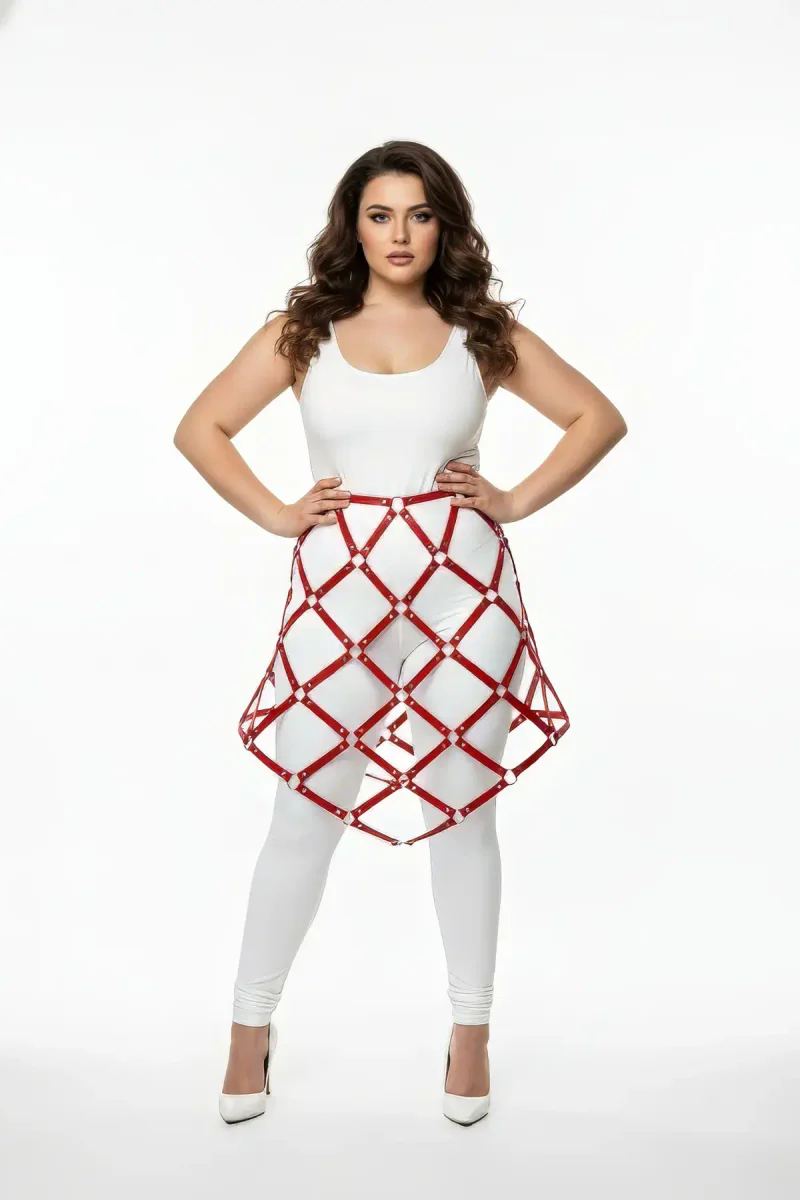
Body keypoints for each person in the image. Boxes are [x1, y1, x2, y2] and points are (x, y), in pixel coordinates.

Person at [173, 140, 627, 1126]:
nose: (399, 234)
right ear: (352, 224)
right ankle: (249, 1029)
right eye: (379, 214)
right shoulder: (302, 331)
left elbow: (596, 417)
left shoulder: (481, 331)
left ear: (443, 225)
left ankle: (470, 1032)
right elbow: (200, 428)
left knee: (464, 813)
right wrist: (276, 513)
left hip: (465, 599)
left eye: (419, 214)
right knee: (305, 809)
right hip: (339, 599)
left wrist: (512, 499)